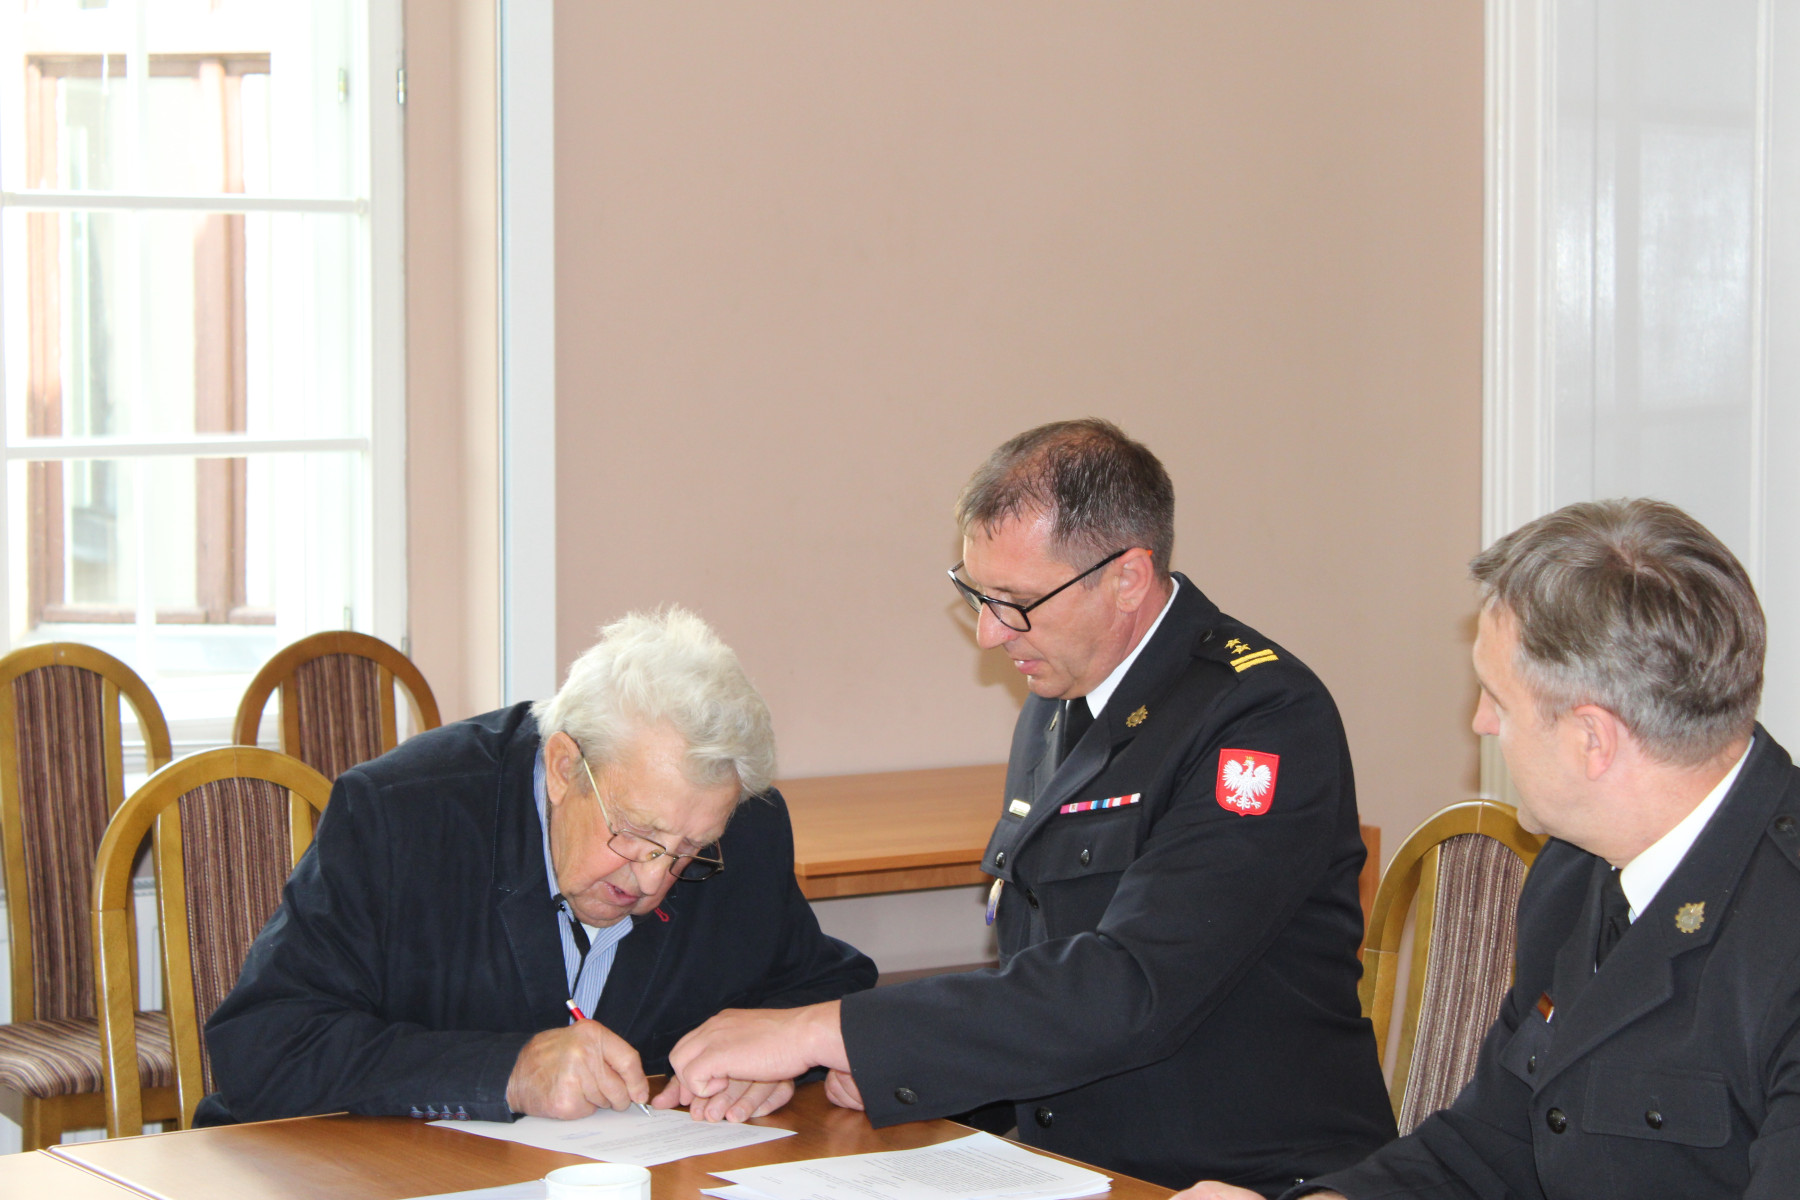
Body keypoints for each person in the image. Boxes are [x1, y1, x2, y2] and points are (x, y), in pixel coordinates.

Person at [665, 419, 1395, 1194]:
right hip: (1076, 1167)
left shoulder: (1261, 720)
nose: (988, 633)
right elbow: (1042, 978)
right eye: (976, 595)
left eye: (1015, 602)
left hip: (1243, 1178)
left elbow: (1132, 985)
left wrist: (830, 1029)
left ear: (1128, 578)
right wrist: (886, 1067)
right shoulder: (1058, 698)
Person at [1177, 498, 1800, 1200]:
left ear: (1592, 739)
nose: (1479, 722)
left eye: (1498, 700)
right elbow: (1488, 1148)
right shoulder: (1573, 872)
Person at [199, 608, 876, 1126]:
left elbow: (827, 986)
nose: (652, 879)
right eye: (636, 833)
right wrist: (507, 1071)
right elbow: (265, 1047)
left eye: (688, 851)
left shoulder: (741, 830)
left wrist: (779, 1054)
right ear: (561, 768)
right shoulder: (400, 816)